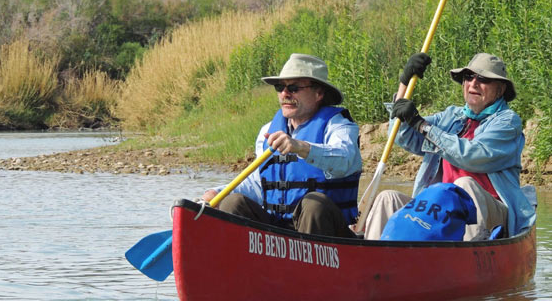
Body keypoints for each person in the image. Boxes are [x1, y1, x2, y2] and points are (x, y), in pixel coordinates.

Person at [363, 52, 536, 240]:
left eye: (483, 79)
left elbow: (472, 156)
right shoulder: (451, 116)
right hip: (441, 209)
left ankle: (469, 257)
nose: (474, 83)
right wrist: (404, 85)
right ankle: (374, 260)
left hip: (493, 215)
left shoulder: (508, 122)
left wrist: (423, 125)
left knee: (463, 187)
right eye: (469, 77)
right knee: (387, 199)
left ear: (500, 90)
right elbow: (402, 135)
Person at [200, 53, 362, 238]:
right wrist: (217, 194)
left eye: (293, 88)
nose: (285, 94)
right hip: (278, 229)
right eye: (280, 87)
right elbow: (257, 185)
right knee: (231, 203)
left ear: (319, 93)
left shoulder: (340, 126)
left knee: (313, 204)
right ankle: (243, 262)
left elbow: (345, 160)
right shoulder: (267, 131)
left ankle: (308, 264)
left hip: (326, 233)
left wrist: (301, 147)